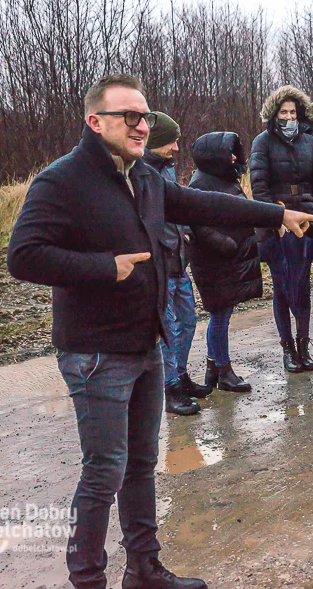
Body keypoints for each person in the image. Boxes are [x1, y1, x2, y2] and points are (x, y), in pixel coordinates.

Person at [6, 73, 313, 589]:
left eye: (145, 116)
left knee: (142, 465)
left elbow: (205, 205)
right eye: (129, 116)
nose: (141, 125)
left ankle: (144, 572)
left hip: (146, 343)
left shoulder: (146, 177)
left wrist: (277, 213)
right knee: (103, 471)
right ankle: (89, 587)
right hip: (94, 352)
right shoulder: (61, 181)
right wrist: (103, 267)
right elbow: (23, 256)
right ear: (95, 121)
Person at [142, 112, 212, 416]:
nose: (176, 148)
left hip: (179, 260)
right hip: (160, 265)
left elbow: (179, 208)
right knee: (167, 327)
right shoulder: (141, 174)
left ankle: (180, 375)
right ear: (155, 143)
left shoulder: (167, 169)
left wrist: (186, 233)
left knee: (188, 320)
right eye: (171, 141)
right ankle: (169, 388)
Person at [250, 85, 313, 373]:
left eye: (293, 112)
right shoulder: (263, 142)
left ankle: (304, 345)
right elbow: (259, 185)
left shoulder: (308, 142)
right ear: (274, 113)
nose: (289, 117)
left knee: (302, 284)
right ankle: (287, 347)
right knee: (281, 285)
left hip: (306, 218)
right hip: (277, 222)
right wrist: (275, 218)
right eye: (284, 112)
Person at [188, 132, 259, 393]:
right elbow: (199, 225)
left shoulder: (226, 179)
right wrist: (226, 245)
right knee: (220, 316)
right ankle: (224, 370)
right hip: (215, 263)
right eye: (228, 152)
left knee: (223, 315)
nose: (233, 156)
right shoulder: (200, 183)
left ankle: (213, 368)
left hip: (230, 261)